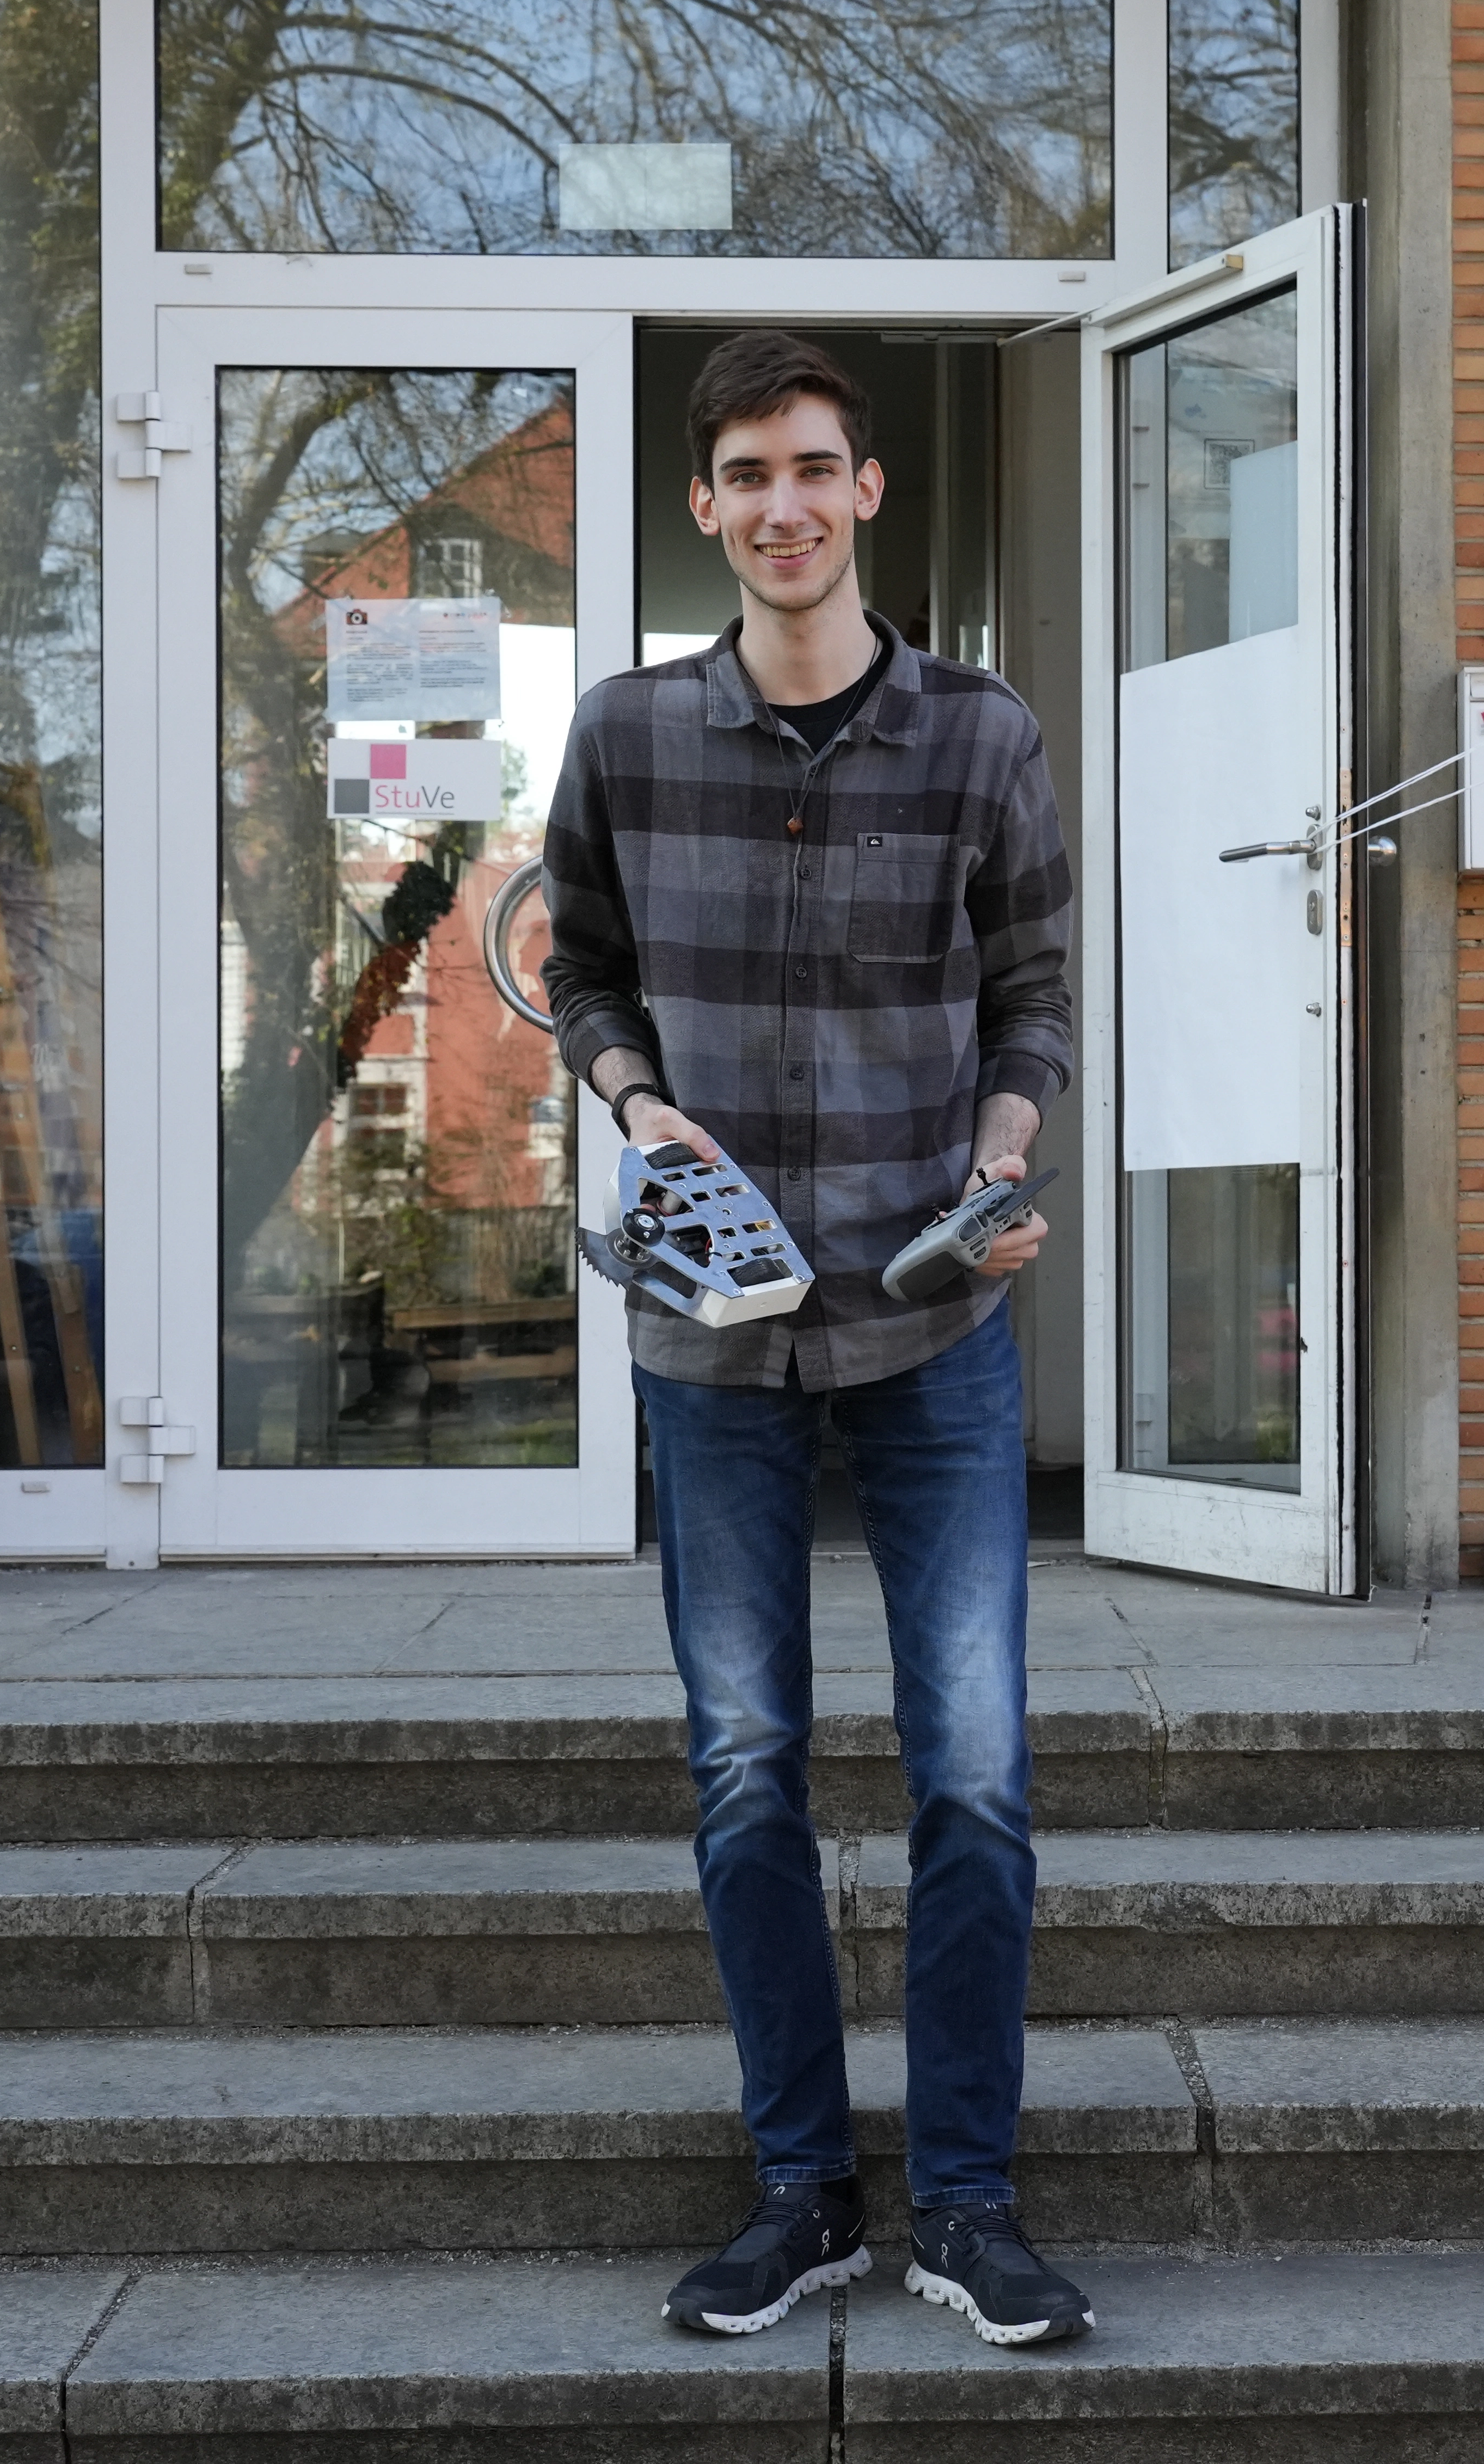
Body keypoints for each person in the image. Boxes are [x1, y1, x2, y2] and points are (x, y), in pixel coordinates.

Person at [541, 331, 1088, 2347]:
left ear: (867, 492)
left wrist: (1004, 1151)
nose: (785, 505)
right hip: (713, 1334)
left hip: (935, 1318)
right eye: (748, 474)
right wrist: (634, 1101)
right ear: (706, 507)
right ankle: (800, 2194)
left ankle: (967, 2205)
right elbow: (581, 966)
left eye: (815, 469)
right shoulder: (626, 733)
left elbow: (1035, 993)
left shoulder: (979, 735)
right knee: (749, 1768)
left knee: (978, 1775)